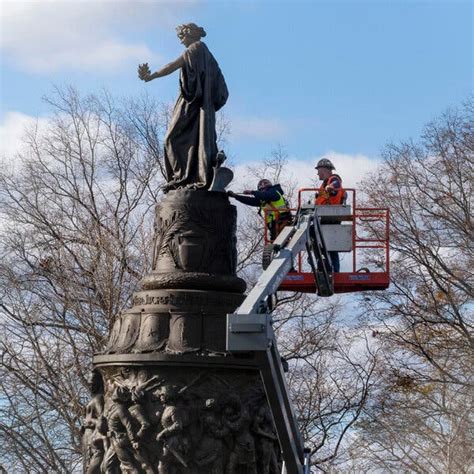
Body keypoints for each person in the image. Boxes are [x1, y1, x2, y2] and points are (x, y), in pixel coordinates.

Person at [138, 23, 228, 191]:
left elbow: (172, 65)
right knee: (191, 141)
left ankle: (181, 177)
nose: (180, 42)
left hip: (192, 103)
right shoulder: (204, 53)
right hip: (196, 103)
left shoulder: (196, 48)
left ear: (191, 34)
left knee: (170, 139)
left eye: (181, 37)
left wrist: (151, 76)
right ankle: (187, 177)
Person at [228, 179, 292, 241]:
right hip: (274, 225)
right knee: (277, 244)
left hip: (282, 220)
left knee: (281, 242)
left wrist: (252, 192)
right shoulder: (263, 200)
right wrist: (235, 196)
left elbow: (267, 195)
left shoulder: (274, 191)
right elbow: (250, 201)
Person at [315, 158, 345, 272]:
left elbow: (335, 185)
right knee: (324, 246)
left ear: (325, 169)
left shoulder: (333, 179)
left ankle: (333, 271)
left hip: (331, 217)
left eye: (318, 170)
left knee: (330, 246)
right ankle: (323, 268)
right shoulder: (323, 185)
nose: (317, 173)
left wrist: (330, 187)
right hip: (323, 217)